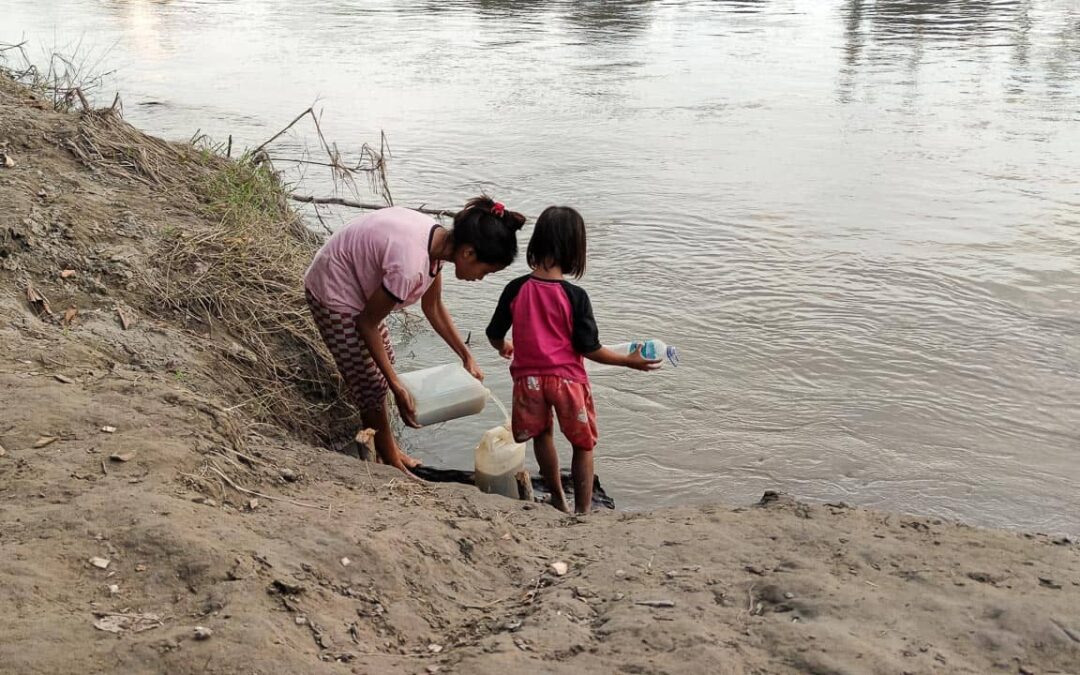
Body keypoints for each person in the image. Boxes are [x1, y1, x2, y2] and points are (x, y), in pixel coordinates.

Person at [305, 197, 526, 475]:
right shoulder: (410, 265)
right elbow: (366, 324)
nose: (481, 278)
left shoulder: (439, 244)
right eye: (486, 271)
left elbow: (432, 306)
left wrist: (466, 354)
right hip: (333, 290)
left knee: (384, 360)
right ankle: (391, 463)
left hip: (358, 286)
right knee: (373, 382)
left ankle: (388, 446)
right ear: (468, 253)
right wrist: (395, 385)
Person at [485, 206, 659, 513]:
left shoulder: (515, 289)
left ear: (537, 244)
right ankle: (583, 511)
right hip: (567, 381)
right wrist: (626, 360)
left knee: (541, 436)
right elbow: (590, 348)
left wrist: (504, 346)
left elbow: (494, 332)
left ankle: (557, 499)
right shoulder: (575, 296)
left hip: (529, 381)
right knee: (583, 444)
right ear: (575, 249)